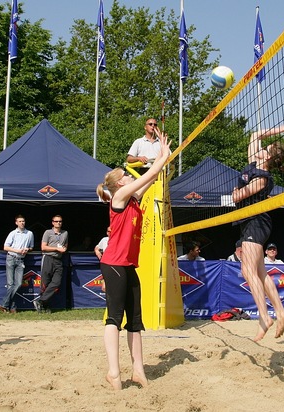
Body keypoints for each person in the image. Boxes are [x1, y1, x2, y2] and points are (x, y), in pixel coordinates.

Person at [96, 134, 170, 390]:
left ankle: (138, 370)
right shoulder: (118, 198)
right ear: (119, 183)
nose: (130, 175)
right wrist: (162, 157)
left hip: (127, 265)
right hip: (114, 263)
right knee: (114, 318)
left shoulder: (133, 198)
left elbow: (153, 178)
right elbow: (148, 176)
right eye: (126, 175)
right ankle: (114, 372)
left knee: (135, 322)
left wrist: (162, 155)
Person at [231, 124, 284, 341]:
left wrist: (236, 192)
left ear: (267, 158)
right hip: (248, 222)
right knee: (260, 272)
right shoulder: (253, 164)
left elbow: (238, 197)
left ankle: (265, 316)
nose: (260, 148)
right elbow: (255, 134)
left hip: (257, 223)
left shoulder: (262, 178)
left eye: (265, 149)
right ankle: (281, 312)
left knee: (248, 272)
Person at [0, 215, 34, 313]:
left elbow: (31, 247)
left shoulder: (29, 234)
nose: (22, 223)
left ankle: (4, 304)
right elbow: (5, 247)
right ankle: (12, 307)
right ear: (16, 223)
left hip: (21, 260)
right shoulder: (13, 233)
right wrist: (17, 250)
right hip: (11, 257)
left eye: (23, 221)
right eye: (20, 221)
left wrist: (27, 249)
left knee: (18, 284)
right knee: (10, 284)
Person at [34, 215, 68, 313]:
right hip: (48, 258)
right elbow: (43, 247)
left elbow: (65, 245)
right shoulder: (48, 232)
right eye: (56, 221)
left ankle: (41, 301)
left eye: (60, 221)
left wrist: (64, 249)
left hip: (59, 259)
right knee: (45, 283)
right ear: (52, 222)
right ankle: (44, 306)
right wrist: (56, 248)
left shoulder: (65, 233)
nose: (58, 223)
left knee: (56, 283)